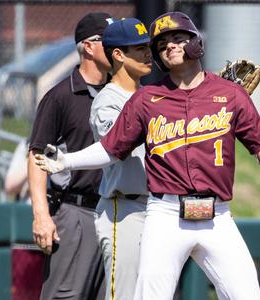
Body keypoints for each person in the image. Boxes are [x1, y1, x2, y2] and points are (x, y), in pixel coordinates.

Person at [34, 11, 260, 300]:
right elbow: (111, 148)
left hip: (217, 216)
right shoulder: (146, 99)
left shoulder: (230, 94)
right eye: (161, 44)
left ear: (196, 42)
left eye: (177, 38)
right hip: (166, 215)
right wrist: (68, 160)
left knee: (247, 295)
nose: (169, 46)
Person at [27, 12, 114, 300]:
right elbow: (37, 154)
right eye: (109, 40)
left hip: (117, 213)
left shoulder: (125, 94)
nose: (118, 47)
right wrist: (41, 215)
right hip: (76, 212)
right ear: (88, 46)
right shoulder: (61, 96)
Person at [90, 18, 151, 299]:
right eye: (139, 48)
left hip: (157, 211)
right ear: (118, 55)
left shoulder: (151, 97)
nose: (148, 53)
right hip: (123, 211)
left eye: (148, 46)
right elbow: (119, 144)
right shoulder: (107, 100)